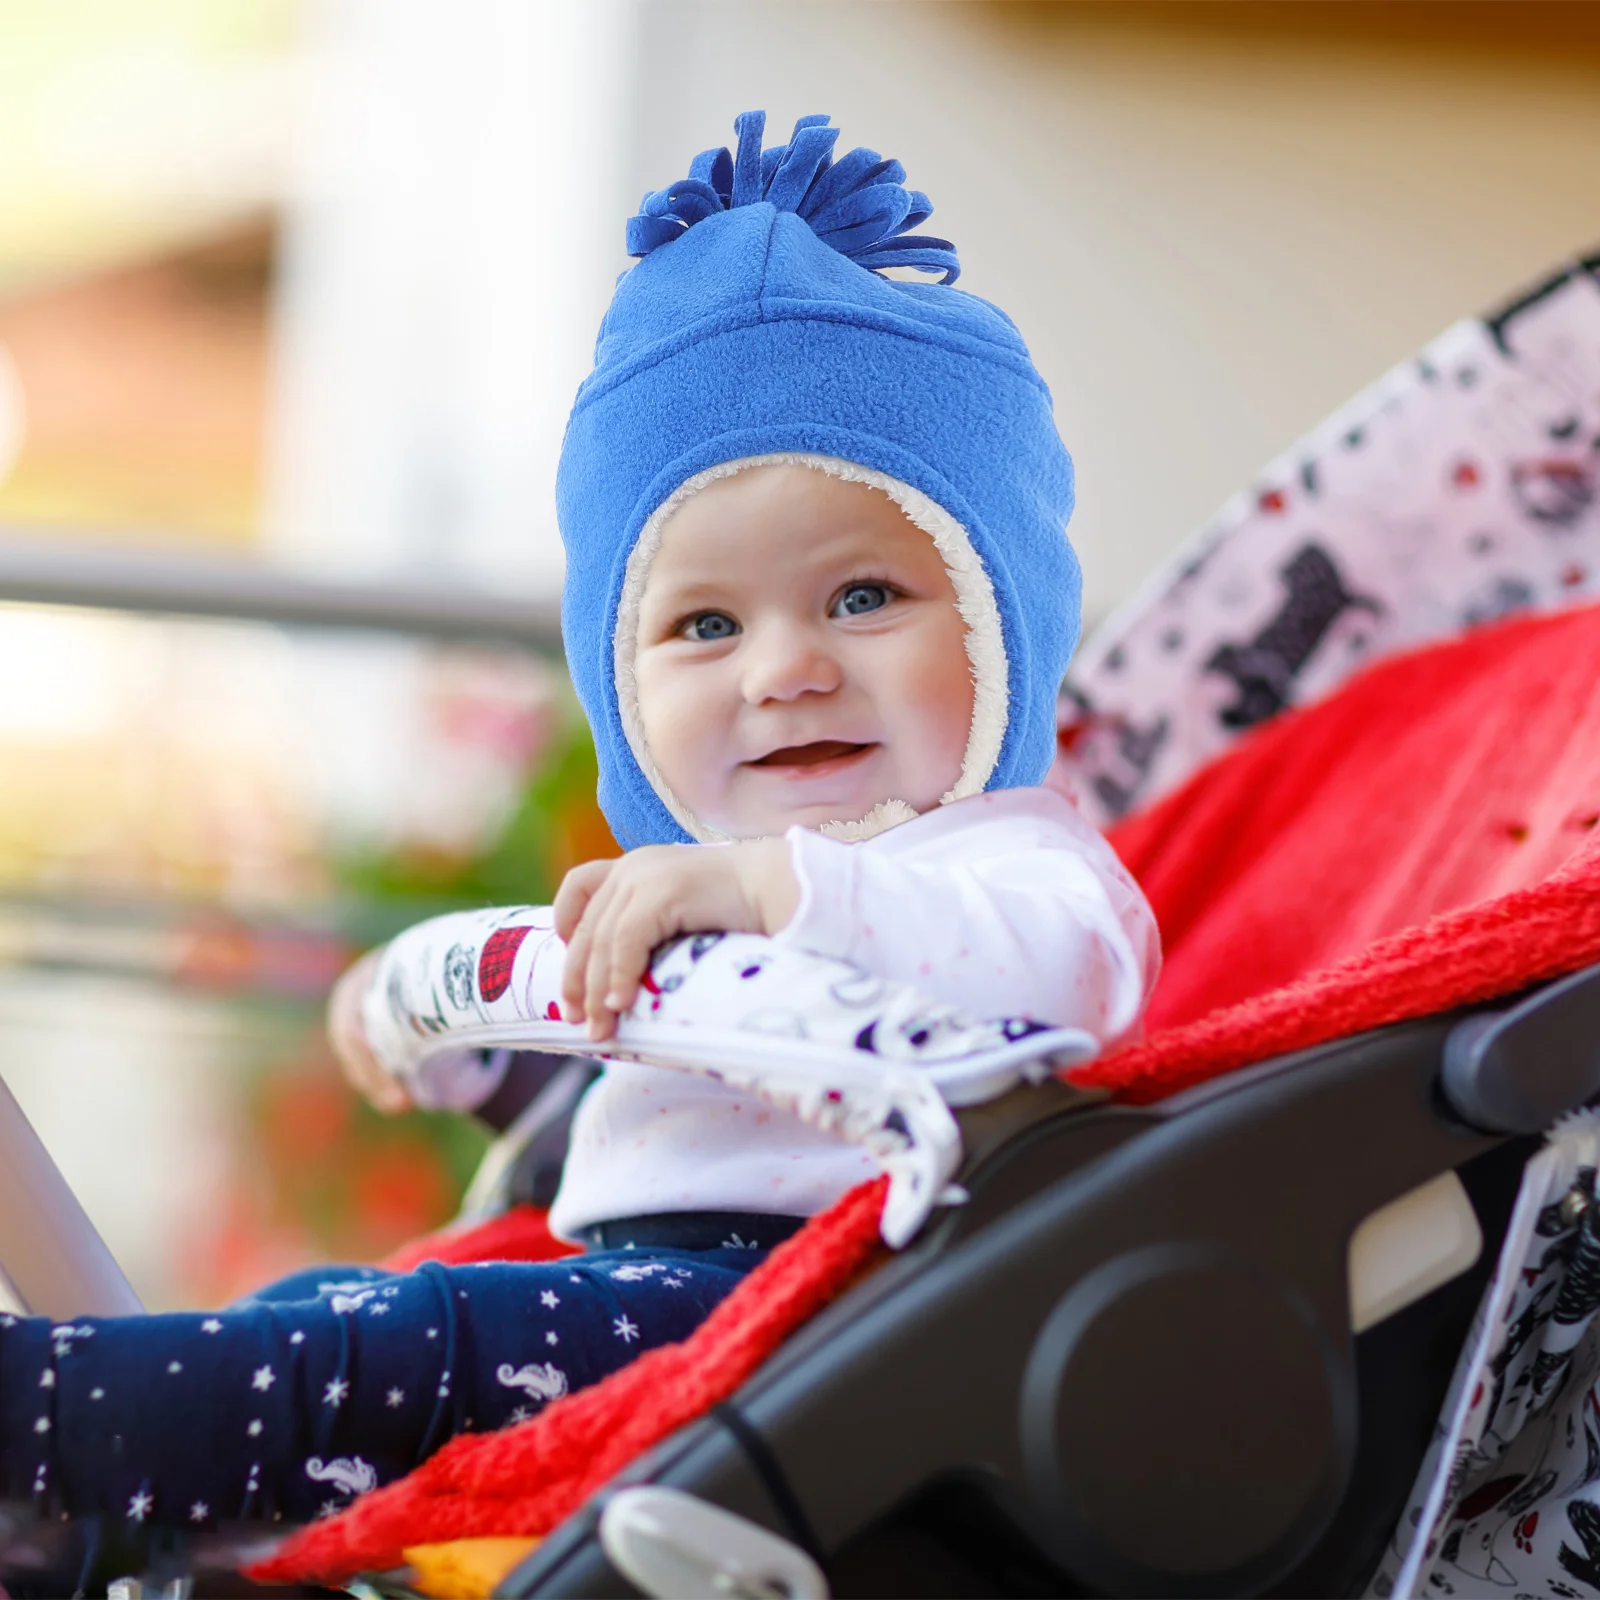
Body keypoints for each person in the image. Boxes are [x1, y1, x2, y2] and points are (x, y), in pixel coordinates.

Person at [0, 111, 1157, 1537]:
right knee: (322, 1313)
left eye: (865, 597)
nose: (785, 667)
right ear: (622, 682)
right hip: (647, 1285)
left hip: (818, 1323)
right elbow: (694, 1082)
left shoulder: (1007, 865)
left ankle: (45, 1429)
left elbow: (1059, 981)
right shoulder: (696, 885)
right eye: (705, 622)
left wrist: (769, 889)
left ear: (1001, 623)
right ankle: (87, 1506)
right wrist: (505, 1070)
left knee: (392, 1357)